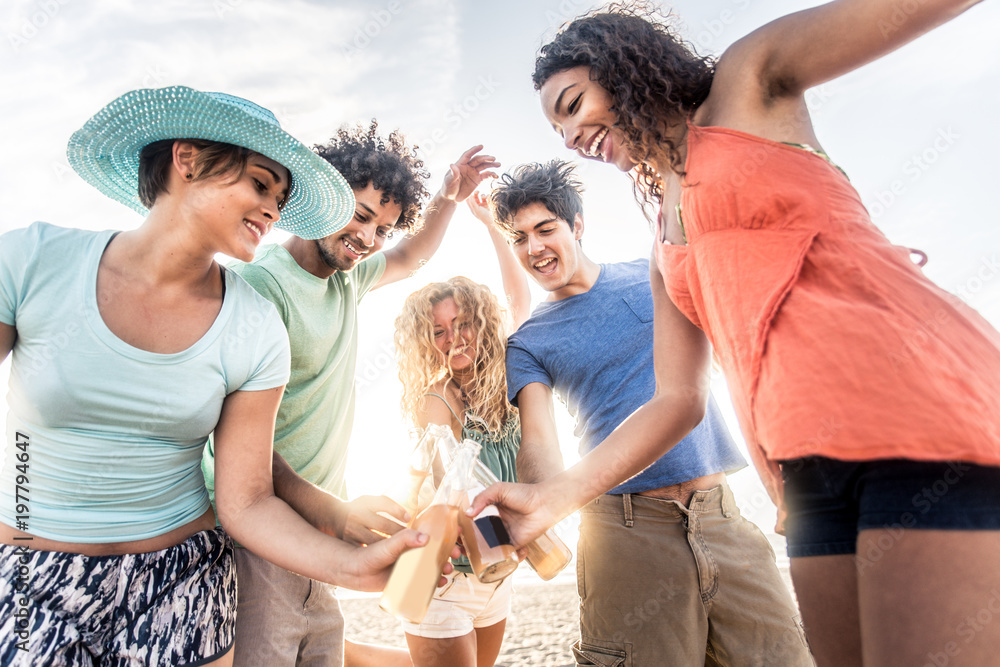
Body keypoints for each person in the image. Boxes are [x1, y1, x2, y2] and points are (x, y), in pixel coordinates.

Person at [469, 3, 1000, 666]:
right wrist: (550, 499)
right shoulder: (664, 236)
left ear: (624, 66)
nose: (572, 134)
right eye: (559, 129)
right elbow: (676, 401)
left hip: (915, 406)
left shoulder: (749, 87)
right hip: (805, 475)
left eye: (574, 104)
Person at [0, 86, 432, 666]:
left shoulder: (253, 326)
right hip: (33, 578)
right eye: (259, 183)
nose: (273, 210)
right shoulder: (32, 260)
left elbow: (248, 499)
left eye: (280, 196)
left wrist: (354, 564)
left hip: (183, 585)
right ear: (188, 160)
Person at [484, 159, 814, 666]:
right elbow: (539, 441)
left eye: (545, 229)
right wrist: (543, 505)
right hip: (624, 533)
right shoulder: (529, 341)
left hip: (722, 516)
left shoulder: (652, 275)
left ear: (577, 225)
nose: (534, 248)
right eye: (519, 238)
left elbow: (740, 358)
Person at [199, 121, 499, 667]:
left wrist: (448, 201)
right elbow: (229, 435)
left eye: (382, 228)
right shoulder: (261, 287)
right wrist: (332, 513)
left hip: (318, 531)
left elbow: (412, 257)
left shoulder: (346, 279)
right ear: (320, 197)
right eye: (360, 216)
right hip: (259, 532)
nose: (368, 239)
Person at [392, 192, 530, 667]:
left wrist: (494, 226)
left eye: (463, 323)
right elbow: (448, 485)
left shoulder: (510, 381)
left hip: (497, 570)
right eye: (439, 331)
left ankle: (345, 655)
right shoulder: (439, 399)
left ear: (482, 324)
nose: (454, 338)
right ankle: (343, 653)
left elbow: (518, 301)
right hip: (446, 576)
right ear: (428, 342)